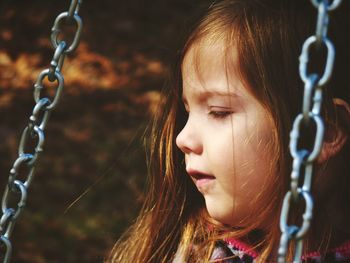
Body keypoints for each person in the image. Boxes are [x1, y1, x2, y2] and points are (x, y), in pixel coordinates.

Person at [107, 0, 350, 262]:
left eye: (219, 112)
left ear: (320, 134)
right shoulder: (197, 251)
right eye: (188, 112)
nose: (182, 138)